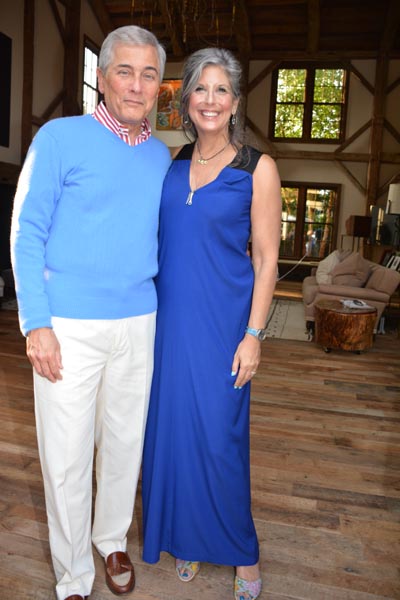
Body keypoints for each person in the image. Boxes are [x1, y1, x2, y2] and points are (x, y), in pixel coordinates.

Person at [10, 25, 171, 600]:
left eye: (148, 73)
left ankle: (111, 540)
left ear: (160, 87)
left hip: (139, 320)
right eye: (124, 71)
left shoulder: (161, 157)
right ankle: (73, 572)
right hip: (68, 326)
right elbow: (26, 231)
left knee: (125, 443)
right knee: (67, 455)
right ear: (101, 79)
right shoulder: (59, 138)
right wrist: (37, 324)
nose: (136, 84)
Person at [141, 48, 282, 600]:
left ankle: (243, 554)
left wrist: (254, 335)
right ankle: (187, 540)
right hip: (169, 325)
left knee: (221, 440)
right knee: (173, 436)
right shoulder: (171, 163)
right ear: (186, 99)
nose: (209, 99)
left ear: (235, 102)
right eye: (200, 88)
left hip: (225, 327)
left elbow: (267, 259)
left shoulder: (257, 168)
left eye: (221, 90)